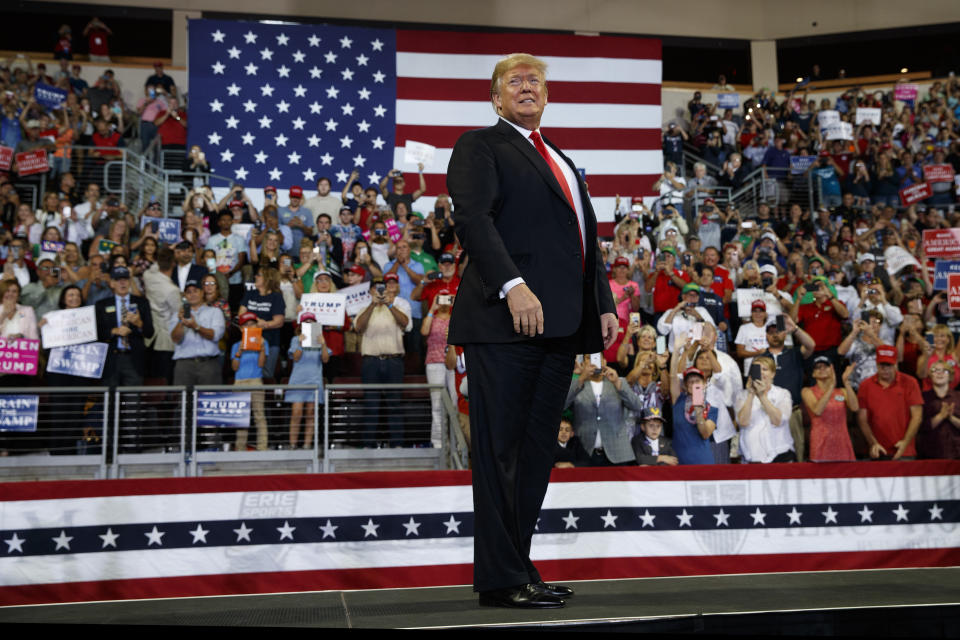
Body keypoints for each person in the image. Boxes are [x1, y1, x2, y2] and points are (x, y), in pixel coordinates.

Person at [445, 53, 617, 609]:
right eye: (514, 81)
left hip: (561, 328)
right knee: (500, 453)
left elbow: (582, 238)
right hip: (504, 323)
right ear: (496, 99)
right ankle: (499, 578)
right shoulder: (480, 145)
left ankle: (519, 570)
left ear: (547, 96)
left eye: (535, 80)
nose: (527, 86)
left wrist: (603, 302)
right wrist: (512, 285)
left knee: (537, 452)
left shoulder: (563, 159)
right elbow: (473, 221)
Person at [355, 278, 410, 446]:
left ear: (388, 291)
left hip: (394, 360)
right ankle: (368, 444)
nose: (379, 292)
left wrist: (389, 304)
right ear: (370, 291)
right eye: (376, 289)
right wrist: (372, 305)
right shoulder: (364, 309)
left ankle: (398, 444)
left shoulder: (397, 307)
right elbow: (358, 327)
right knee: (371, 404)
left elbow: (405, 323)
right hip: (371, 361)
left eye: (382, 289)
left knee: (395, 404)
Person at [563, 355, 641, 466]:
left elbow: (637, 406)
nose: (594, 361)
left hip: (618, 452)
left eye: (597, 358)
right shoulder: (576, 383)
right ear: (583, 363)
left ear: (604, 361)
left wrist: (617, 383)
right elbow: (562, 406)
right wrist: (580, 379)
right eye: (589, 358)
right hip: (584, 452)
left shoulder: (618, 381)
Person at [856, 344, 923, 460]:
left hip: (904, 451)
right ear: (876, 364)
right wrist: (873, 443)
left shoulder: (910, 382)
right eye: (882, 365)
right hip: (877, 451)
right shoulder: (865, 385)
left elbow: (917, 416)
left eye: (889, 365)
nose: (885, 369)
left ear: (896, 363)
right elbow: (862, 419)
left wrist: (905, 443)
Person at [94, 266, 154, 388]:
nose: (122, 283)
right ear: (111, 283)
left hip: (134, 359)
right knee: (110, 401)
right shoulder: (102, 305)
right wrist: (113, 331)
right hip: (111, 359)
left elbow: (150, 332)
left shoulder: (142, 302)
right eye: (118, 280)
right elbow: (96, 333)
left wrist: (139, 324)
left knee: (132, 401)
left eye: (125, 279)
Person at [735, 355, 795, 463]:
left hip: (780, 455)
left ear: (773, 373)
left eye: (765, 369)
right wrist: (751, 394)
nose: (761, 373)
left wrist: (762, 396)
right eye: (757, 369)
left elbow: (778, 420)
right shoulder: (742, 396)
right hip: (752, 457)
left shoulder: (783, 394)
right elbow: (743, 422)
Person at [286, 312, 329, 450]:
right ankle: (292, 445)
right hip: (298, 380)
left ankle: (307, 445)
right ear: (301, 325)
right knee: (296, 413)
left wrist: (323, 345)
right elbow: (296, 358)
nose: (309, 324)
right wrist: (300, 343)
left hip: (314, 381)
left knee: (311, 414)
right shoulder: (295, 339)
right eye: (306, 322)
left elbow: (325, 359)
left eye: (312, 321)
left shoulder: (320, 339)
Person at [802, 357, 858, 462]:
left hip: (842, 442)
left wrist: (846, 382)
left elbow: (855, 407)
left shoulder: (842, 391)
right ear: (813, 374)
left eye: (825, 366)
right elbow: (818, 410)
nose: (822, 369)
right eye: (818, 367)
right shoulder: (807, 391)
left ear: (832, 369)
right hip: (820, 443)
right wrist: (831, 386)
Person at [170, 278, 225, 387]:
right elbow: (175, 338)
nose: (192, 294)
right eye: (189, 292)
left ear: (202, 292)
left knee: (209, 401)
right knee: (185, 402)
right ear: (184, 296)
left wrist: (196, 326)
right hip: (184, 365)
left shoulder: (215, 312)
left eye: (195, 291)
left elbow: (215, 335)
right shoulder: (177, 314)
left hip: (208, 364)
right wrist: (181, 322)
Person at [231, 312, 269, 451]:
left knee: (259, 416)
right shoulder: (236, 345)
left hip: (255, 381)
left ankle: (262, 447)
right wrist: (238, 352)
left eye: (252, 324)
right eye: (246, 325)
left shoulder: (263, 342)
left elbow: (261, 364)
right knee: (241, 418)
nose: (249, 326)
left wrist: (262, 349)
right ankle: (240, 448)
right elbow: (234, 367)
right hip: (239, 382)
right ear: (241, 329)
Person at [421, 289, 455, 448]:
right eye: (441, 298)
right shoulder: (431, 318)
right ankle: (438, 443)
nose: (444, 301)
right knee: (437, 404)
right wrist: (431, 308)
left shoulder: (456, 316)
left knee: (455, 402)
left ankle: (455, 441)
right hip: (434, 362)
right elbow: (424, 331)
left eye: (448, 298)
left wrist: (458, 306)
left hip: (454, 363)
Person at [917, 362, 960, 459]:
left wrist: (951, 418)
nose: (939, 373)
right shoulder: (922, 397)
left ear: (950, 375)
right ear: (930, 375)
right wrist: (940, 416)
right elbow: (919, 426)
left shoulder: (958, 397)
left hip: (957, 455)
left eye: (944, 371)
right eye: (935, 370)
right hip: (930, 454)